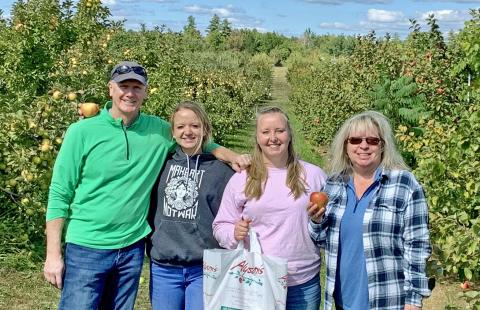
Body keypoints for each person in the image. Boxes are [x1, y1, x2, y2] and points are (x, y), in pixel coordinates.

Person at [43, 61, 249, 310]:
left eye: (136, 87)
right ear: (111, 89)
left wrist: (228, 154)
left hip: (132, 249)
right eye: (123, 86)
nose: (130, 93)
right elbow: (59, 193)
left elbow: (196, 139)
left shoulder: (159, 131)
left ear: (145, 92)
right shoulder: (81, 131)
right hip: (87, 247)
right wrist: (53, 254)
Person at [307, 111, 431, 310]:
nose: (363, 146)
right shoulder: (334, 184)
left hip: (386, 300)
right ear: (345, 146)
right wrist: (316, 222)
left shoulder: (404, 184)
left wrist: (413, 299)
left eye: (372, 140)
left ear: (383, 146)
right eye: (355, 140)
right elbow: (321, 241)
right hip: (341, 301)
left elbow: (417, 245)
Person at [213, 106, 327, 310]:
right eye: (265, 132)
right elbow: (220, 226)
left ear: (290, 134)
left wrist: (320, 220)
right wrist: (234, 232)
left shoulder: (314, 175)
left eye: (279, 131)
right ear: (257, 137)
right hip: (257, 280)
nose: (273, 137)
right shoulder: (242, 179)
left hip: (302, 280)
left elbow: (330, 228)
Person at [147, 101, 235, 310]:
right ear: (173, 133)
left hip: (204, 268)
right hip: (164, 267)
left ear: (205, 129)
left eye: (195, 126)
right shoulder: (161, 164)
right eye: (180, 127)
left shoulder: (221, 171)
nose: (188, 132)